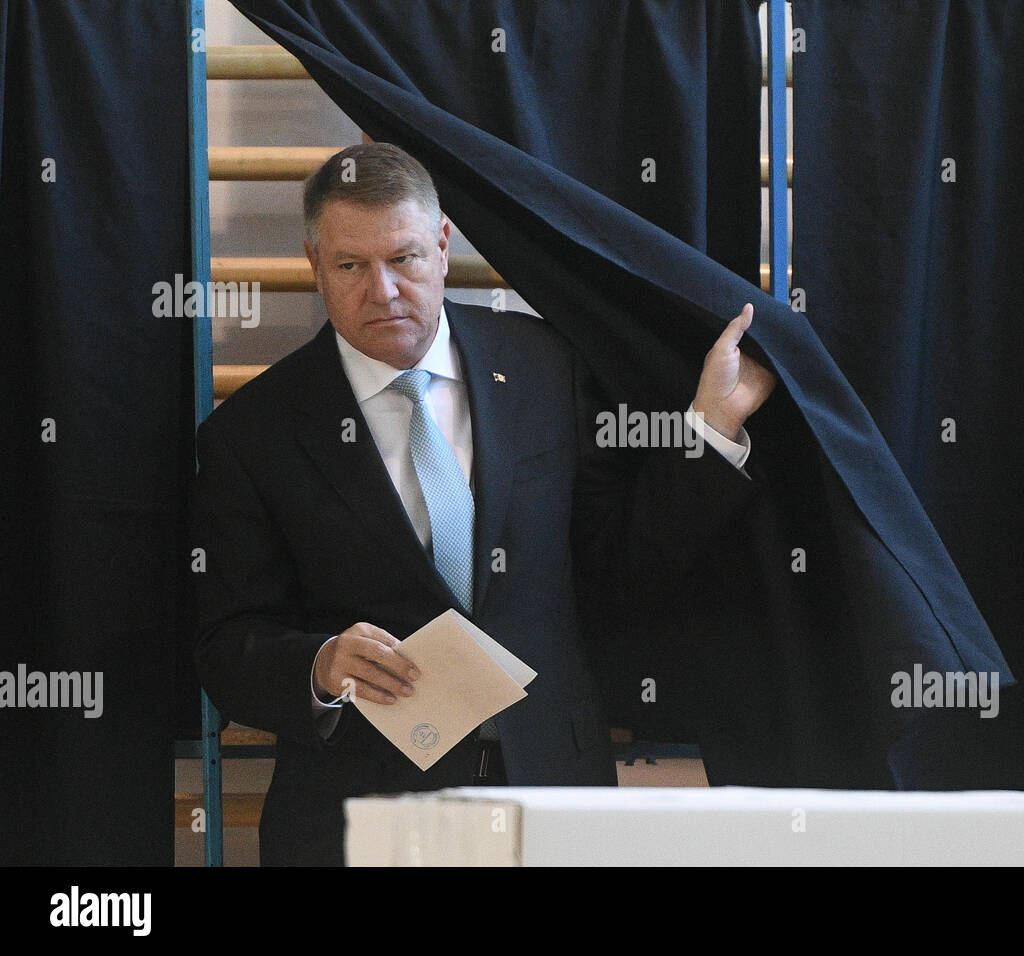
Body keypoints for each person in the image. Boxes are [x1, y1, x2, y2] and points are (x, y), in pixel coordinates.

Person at [192, 142, 775, 865]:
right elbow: (224, 646)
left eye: (403, 258)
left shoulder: (544, 364)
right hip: (361, 814)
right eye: (350, 266)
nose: (382, 290)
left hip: (552, 797)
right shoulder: (251, 434)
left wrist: (711, 429)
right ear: (314, 266)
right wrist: (317, 666)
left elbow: (618, 565)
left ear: (441, 247)